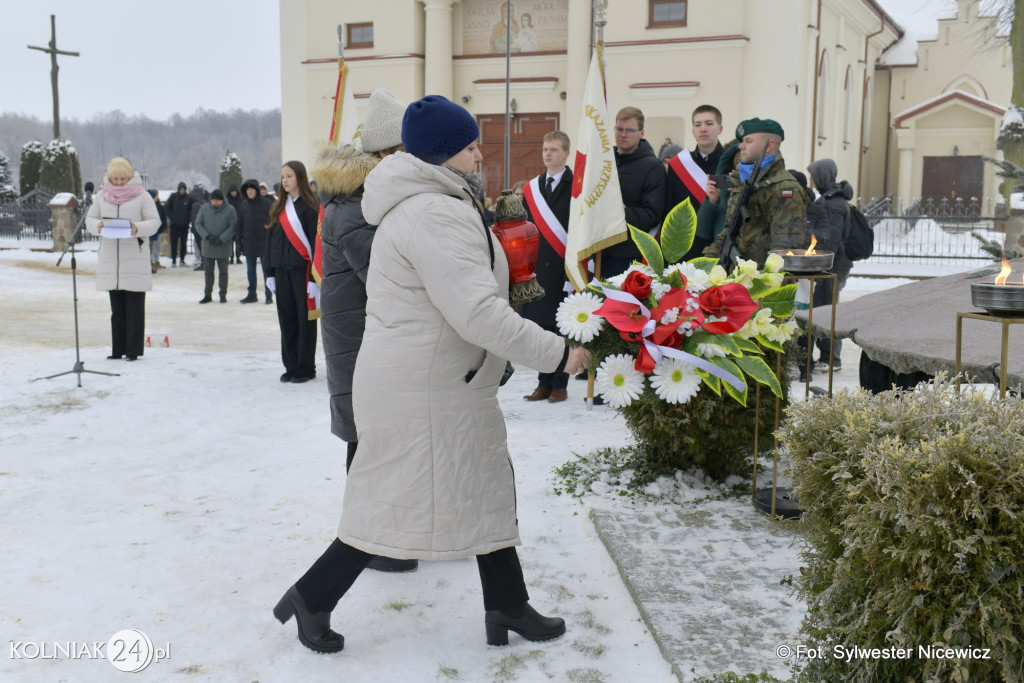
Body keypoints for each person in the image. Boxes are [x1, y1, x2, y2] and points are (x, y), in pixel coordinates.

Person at [273, 95, 590, 654]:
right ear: (443, 154)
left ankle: (507, 604)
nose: (479, 156)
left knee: (485, 485)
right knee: (390, 502)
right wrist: (558, 354)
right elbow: (477, 313)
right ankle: (312, 597)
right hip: (425, 387)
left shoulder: (435, 202)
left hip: (441, 380)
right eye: (469, 147)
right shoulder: (434, 213)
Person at [313, 88, 416, 573]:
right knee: (370, 439)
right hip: (359, 340)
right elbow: (388, 275)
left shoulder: (371, 197)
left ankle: (384, 536)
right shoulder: (358, 206)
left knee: (378, 437)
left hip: (369, 336)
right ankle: (372, 542)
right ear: (388, 153)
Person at [84, 157, 161, 361]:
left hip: (134, 257)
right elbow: (89, 220)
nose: (118, 182)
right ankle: (117, 350)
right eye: (115, 179)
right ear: (109, 178)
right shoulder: (101, 196)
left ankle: (133, 351)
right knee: (116, 309)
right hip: (112, 259)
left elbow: (155, 222)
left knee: (134, 309)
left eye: (122, 179)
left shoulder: (142, 196)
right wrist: (98, 226)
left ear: (130, 177)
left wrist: (136, 228)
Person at [703, 118, 807, 266]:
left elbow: (784, 252)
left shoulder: (784, 189)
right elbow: (728, 232)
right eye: (742, 141)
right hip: (736, 275)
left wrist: (761, 279)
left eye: (748, 141)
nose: (741, 146)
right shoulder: (745, 182)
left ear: (769, 146)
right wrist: (706, 265)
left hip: (761, 278)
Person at [519, 130, 574, 404]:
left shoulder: (576, 186)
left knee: (561, 328)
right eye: (544, 149)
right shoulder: (533, 188)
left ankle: (560, 384)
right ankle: (543, 382)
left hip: (564, 268)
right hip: (539, 267)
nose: (547, 154)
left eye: (553, 149)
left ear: (566, 153)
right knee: (542, 329)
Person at [265, 161, 321, 383]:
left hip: (302, 272)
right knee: (286, 319)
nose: (285, 180)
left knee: (304, 320)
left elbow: (317, 245)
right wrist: (269, 273)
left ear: (300, 178)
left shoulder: (310, 208)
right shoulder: (278, 208)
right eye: (283, 176)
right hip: (281, 272)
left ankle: (305, 367)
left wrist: (314, 278)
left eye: (289, 176)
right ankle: (290, 365)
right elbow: (270, 243)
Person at [601, 106, 665, 277]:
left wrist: (614, 214)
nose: (623, 134)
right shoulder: (604, 163)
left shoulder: (653, 167)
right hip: (599, 251)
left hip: (630, 256)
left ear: (641, 133)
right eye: (619, 129)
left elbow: (652, 213)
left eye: (629, 130)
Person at [807, 158, 854, 373]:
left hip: (832, 266)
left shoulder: (833, 203)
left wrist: (821, 262)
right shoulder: (830, 199)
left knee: (827, 311)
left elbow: (831, 239)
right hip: (832, 264)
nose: (812, 180)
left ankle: (831, 359)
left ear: (822, 176)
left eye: (813, 176)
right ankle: (828, 357)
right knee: (824, 309)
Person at [664, 105, 726, 259]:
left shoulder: (731, 163)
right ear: (693, 131)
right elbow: (669, 210)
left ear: (720, 129)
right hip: (686, 249)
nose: (703, 129)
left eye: (709, 124)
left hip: (721, 246)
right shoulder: (678, 164)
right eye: (698, 125)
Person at [194, 189, 237, 304]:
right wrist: (207, 236)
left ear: (222, 200)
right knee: (208, 272)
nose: (215, 202)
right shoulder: (204, 208)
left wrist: (222, 238)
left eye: (218, 200)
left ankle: (223, 295)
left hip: (223, 246)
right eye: (213, 200)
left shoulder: (230, 210)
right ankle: (207, 295)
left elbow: (232, 227)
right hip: (208, 245)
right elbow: (198, 224)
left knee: (223, 272)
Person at [237, 178, 273, 304]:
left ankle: (268, 295)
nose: (250, 191)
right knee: (250, 271)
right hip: (249, 243)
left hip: (264, 243)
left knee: (266, 270)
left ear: (257, 190)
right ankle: (252, 294)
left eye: (252, 189)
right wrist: (239, 243)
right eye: (248, 190)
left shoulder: (266, 204)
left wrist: (272, 241)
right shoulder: (243, 205)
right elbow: (239, 226)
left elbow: (273, 223)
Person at [165, 182, 192, 267]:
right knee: (174, 243)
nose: (182, 191)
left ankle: (182, 260)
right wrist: (172, 217)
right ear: (178, 189)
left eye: (183, 190)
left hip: (184, 225)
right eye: (180, 190)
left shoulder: (188, 198)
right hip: (174, 225)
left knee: (184, 243)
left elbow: (191, 210)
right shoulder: (173, 197)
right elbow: (167, 207)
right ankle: (173, 260)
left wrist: (188, 219)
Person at [188, 183, 208, 271]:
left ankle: (204, 264)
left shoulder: (193, 203)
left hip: (196, 228)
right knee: (204, 246)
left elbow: (193, 217)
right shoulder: (205, 201)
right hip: (204, 228)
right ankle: (205, 263)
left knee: (200, 246)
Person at [147, 189, 167, 273]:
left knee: (154, 247)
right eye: (156, 196)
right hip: (150, 230)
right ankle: (149, 264)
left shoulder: (158, 206)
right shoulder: (149, 206)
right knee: (149, 248)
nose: (157, 197)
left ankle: (153, 263)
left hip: (157, 230)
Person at [226, 184, 243, 264]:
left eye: (234, 192)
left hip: (238, 223)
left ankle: (238, 257)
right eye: (232, 192)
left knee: (238, 242)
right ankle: (231, 257)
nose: (233, 193)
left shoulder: (240, 199)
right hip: (229, 224)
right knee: (230, 242)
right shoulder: (227, 200)